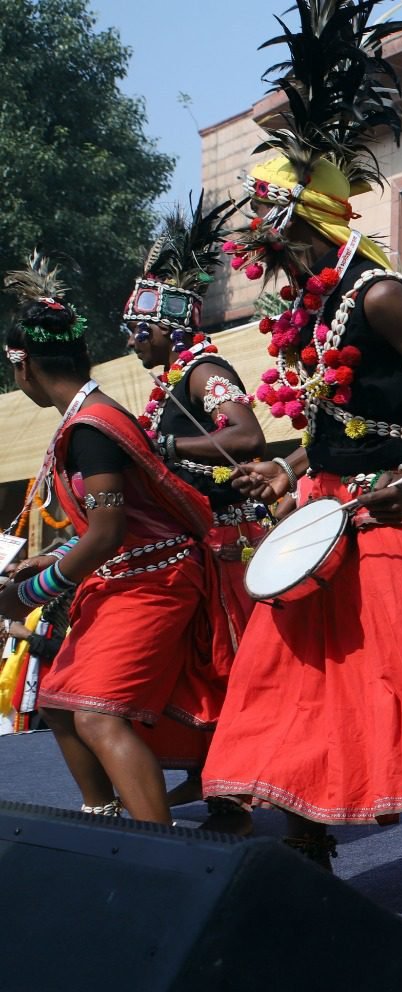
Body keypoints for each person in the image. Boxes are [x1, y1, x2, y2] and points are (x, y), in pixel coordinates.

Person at [198, 0, 402, 949]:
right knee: (291, 684)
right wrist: (289, 467)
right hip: (321, 514)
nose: (259, 253)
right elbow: (338, 425)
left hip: (392, 522)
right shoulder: (310, 309)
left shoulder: (383, 295)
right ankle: (305, 854)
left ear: (300, 220)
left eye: (266, 233)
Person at [0, 255, 232, 825]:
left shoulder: (92, 427)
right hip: (127, 575)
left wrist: (28, 596)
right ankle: (103, 816)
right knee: (59, 703)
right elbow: (113, 524)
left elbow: (108, 532)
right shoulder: (91, 418)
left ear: (24, 369)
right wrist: (50, 558)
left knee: (97, 715)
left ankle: (158, 849)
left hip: (153, 581)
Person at [124, 194, 267, 824]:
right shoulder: (173, 382)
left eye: (140, 330)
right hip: (197, 544)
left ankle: (233, 793)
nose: (133, 343)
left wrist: (161, 446)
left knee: (224, 668)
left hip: (227, 548)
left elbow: (246, 436)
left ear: (169, 326)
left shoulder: (205, 370)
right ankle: (211, 777)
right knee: (195, 670)